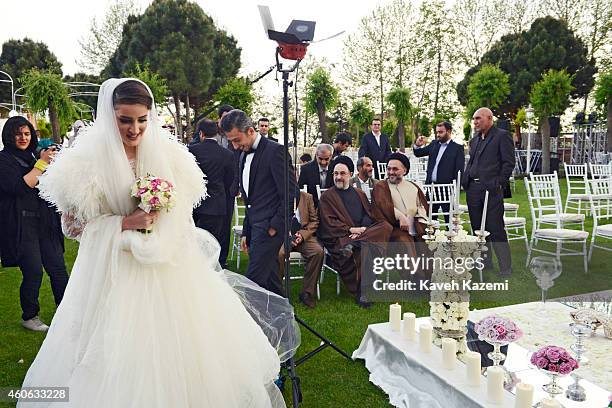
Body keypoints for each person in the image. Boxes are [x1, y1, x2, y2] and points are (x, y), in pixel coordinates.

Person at [18, 79, 297, 408]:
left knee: (181, 353)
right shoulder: (84, 164)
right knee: (113, 353)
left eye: (142, 120)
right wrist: (123, 223)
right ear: (110, 116)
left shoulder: (169, 155)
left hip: (167, 270)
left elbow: (182, 214)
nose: (135, 129)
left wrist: (161, 216)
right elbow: (72, 227)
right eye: (125, 120)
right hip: (113, 273)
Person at [0, 116, 69, 332]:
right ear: (9, 136)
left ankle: (66, 311)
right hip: (22, 223)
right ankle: (30, 316)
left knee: (58, 268)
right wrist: (42, 164)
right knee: (33, 271)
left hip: (45, 221)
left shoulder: (35, 154)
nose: (23, 137)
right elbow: (19, 187)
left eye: (27, 133)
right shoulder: (4, 160)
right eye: (18, 134)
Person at [221, 109, 297, 297]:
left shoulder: (276, 151)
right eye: (230, 141)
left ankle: (245, 325)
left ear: (250, 130)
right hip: (255, 228)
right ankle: (284, 322)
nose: (235, 146)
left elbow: (290, 193)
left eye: (237, 140)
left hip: (270, 230)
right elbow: (250, 201)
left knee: (251, 285)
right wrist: (247, 230)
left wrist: (275, 227)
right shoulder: (241, 154)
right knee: (271, 283)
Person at [318, 156, 392, 307]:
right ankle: (363, 293)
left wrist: (361, 232)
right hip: (341, 238)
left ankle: (358, 242)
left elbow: (368, 215)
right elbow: (328, 223)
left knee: (385, 226)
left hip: (358, 237)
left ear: (350, 174)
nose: (338, 177)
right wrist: (350, 229)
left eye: (342, 173)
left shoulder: (359, 193)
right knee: (367, 249)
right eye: (335, 174)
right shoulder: (327, 197)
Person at [462, 107, 515, 276]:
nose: (475, 122)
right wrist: (466, 180)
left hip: (490, 190)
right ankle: (486, 262)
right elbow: (473, 161)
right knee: (477, 227)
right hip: (473, 189)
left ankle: (506, 267)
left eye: (478, 118)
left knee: (495, 227)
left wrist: (497, 183)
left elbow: (508, 163)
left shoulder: (501, 136)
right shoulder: (475, 139)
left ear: (489, 118)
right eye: (474, 119)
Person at [189, 118, 235, 267]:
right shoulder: (227, 154)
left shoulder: (191, 151)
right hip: (216, 204)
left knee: (193, 241)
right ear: (216, 133)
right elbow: (229, 180)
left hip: (194, 204)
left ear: (201, 133)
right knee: (213, 241)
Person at [371, 153, 428, 249]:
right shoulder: (381, 186)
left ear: (404, 171)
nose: (391, 172)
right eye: (388, 169)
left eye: (395, 169)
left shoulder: (414, 187)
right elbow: (383, 206)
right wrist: (401, 217)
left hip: (416, 227)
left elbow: (422, 207)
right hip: (392, 229)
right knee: (404, 241)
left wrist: (419, 223)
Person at [278, 191, 324, 308]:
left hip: (302, 236)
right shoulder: (277, 194)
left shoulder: (306, 197)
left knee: (317, 252)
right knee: (280, 253)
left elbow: (314, 221)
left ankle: (307, 293)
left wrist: (301, 235)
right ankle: (277, 291)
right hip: (283, 236)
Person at [413, 121, 465, 224]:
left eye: (441, 132)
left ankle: (451, 239)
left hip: (447, 189)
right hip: (431, 188)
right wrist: (417, 145)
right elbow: (418, 153)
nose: (438, 135)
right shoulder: (433, 144)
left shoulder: (457, 148)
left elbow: (459, 170)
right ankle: (432, 238)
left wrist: (454, 189)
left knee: (449, 221)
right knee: (429, 220)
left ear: (449, 131)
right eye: (437, 132)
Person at [297, 143, 334, 208]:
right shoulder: (306, 169)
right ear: (316, 155)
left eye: (326, 159)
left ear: (331, 156)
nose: (323, 162)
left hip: (331, 206)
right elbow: (301, 190)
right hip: (312, 207)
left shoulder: (335, 168)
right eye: (320, 158)